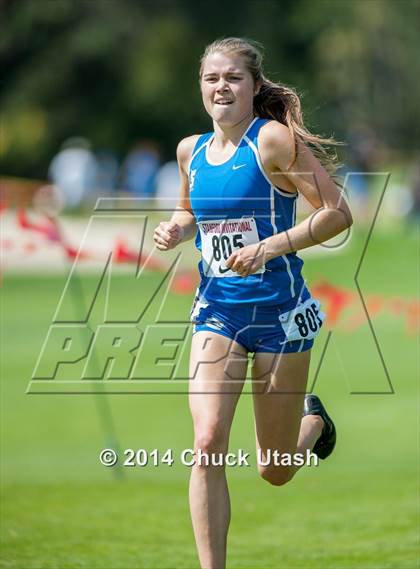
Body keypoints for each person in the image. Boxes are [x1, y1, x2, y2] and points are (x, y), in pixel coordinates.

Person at [153, 37, 352, 569]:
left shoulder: (273, 142)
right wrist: (176, 228)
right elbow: (189, 209)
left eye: (233, 78)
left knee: (276, 468)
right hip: (217, 310)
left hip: (280, 316)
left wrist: (267, 246)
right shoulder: (188, 150)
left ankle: (313, 426)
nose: (221, 87)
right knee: (208, 440)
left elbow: (336, 213)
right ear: (200, 86)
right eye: (211, 78)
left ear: (254, 86)